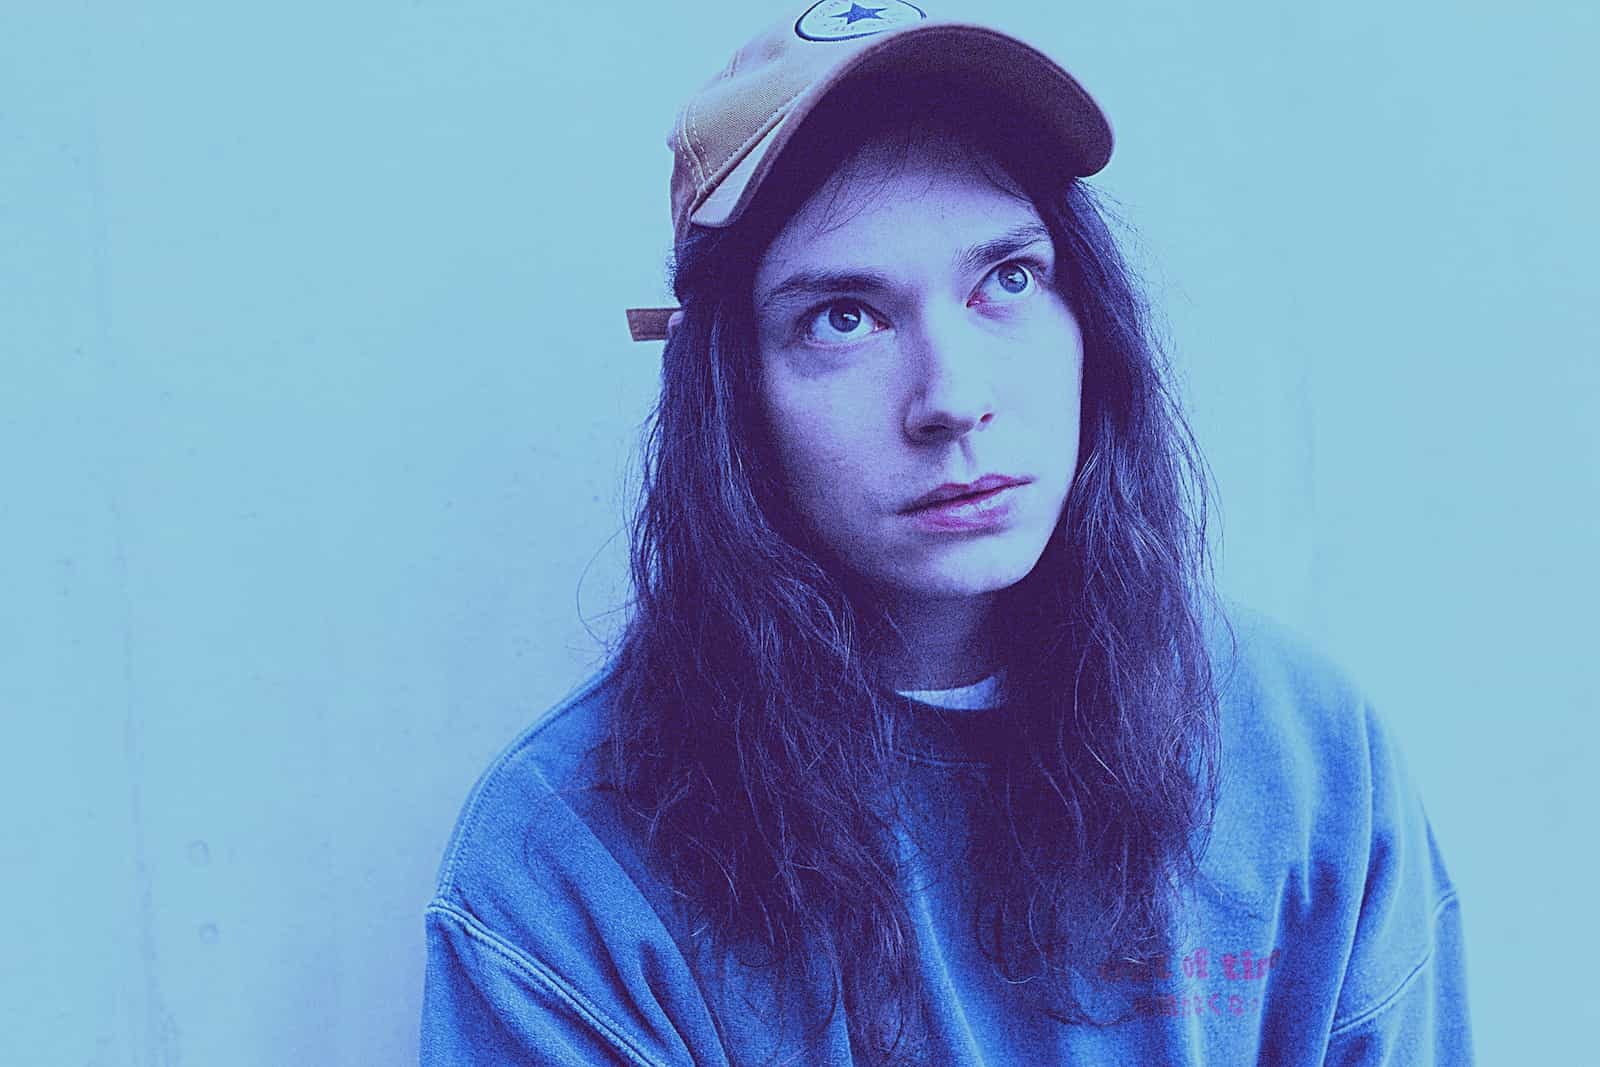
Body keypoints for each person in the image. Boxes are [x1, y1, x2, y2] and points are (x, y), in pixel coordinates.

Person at [420, 4, 1472, 1063]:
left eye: (1006, 279)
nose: (954, 397)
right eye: (844, 316)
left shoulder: (1303, 756)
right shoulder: (567, 860)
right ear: (729, 390)